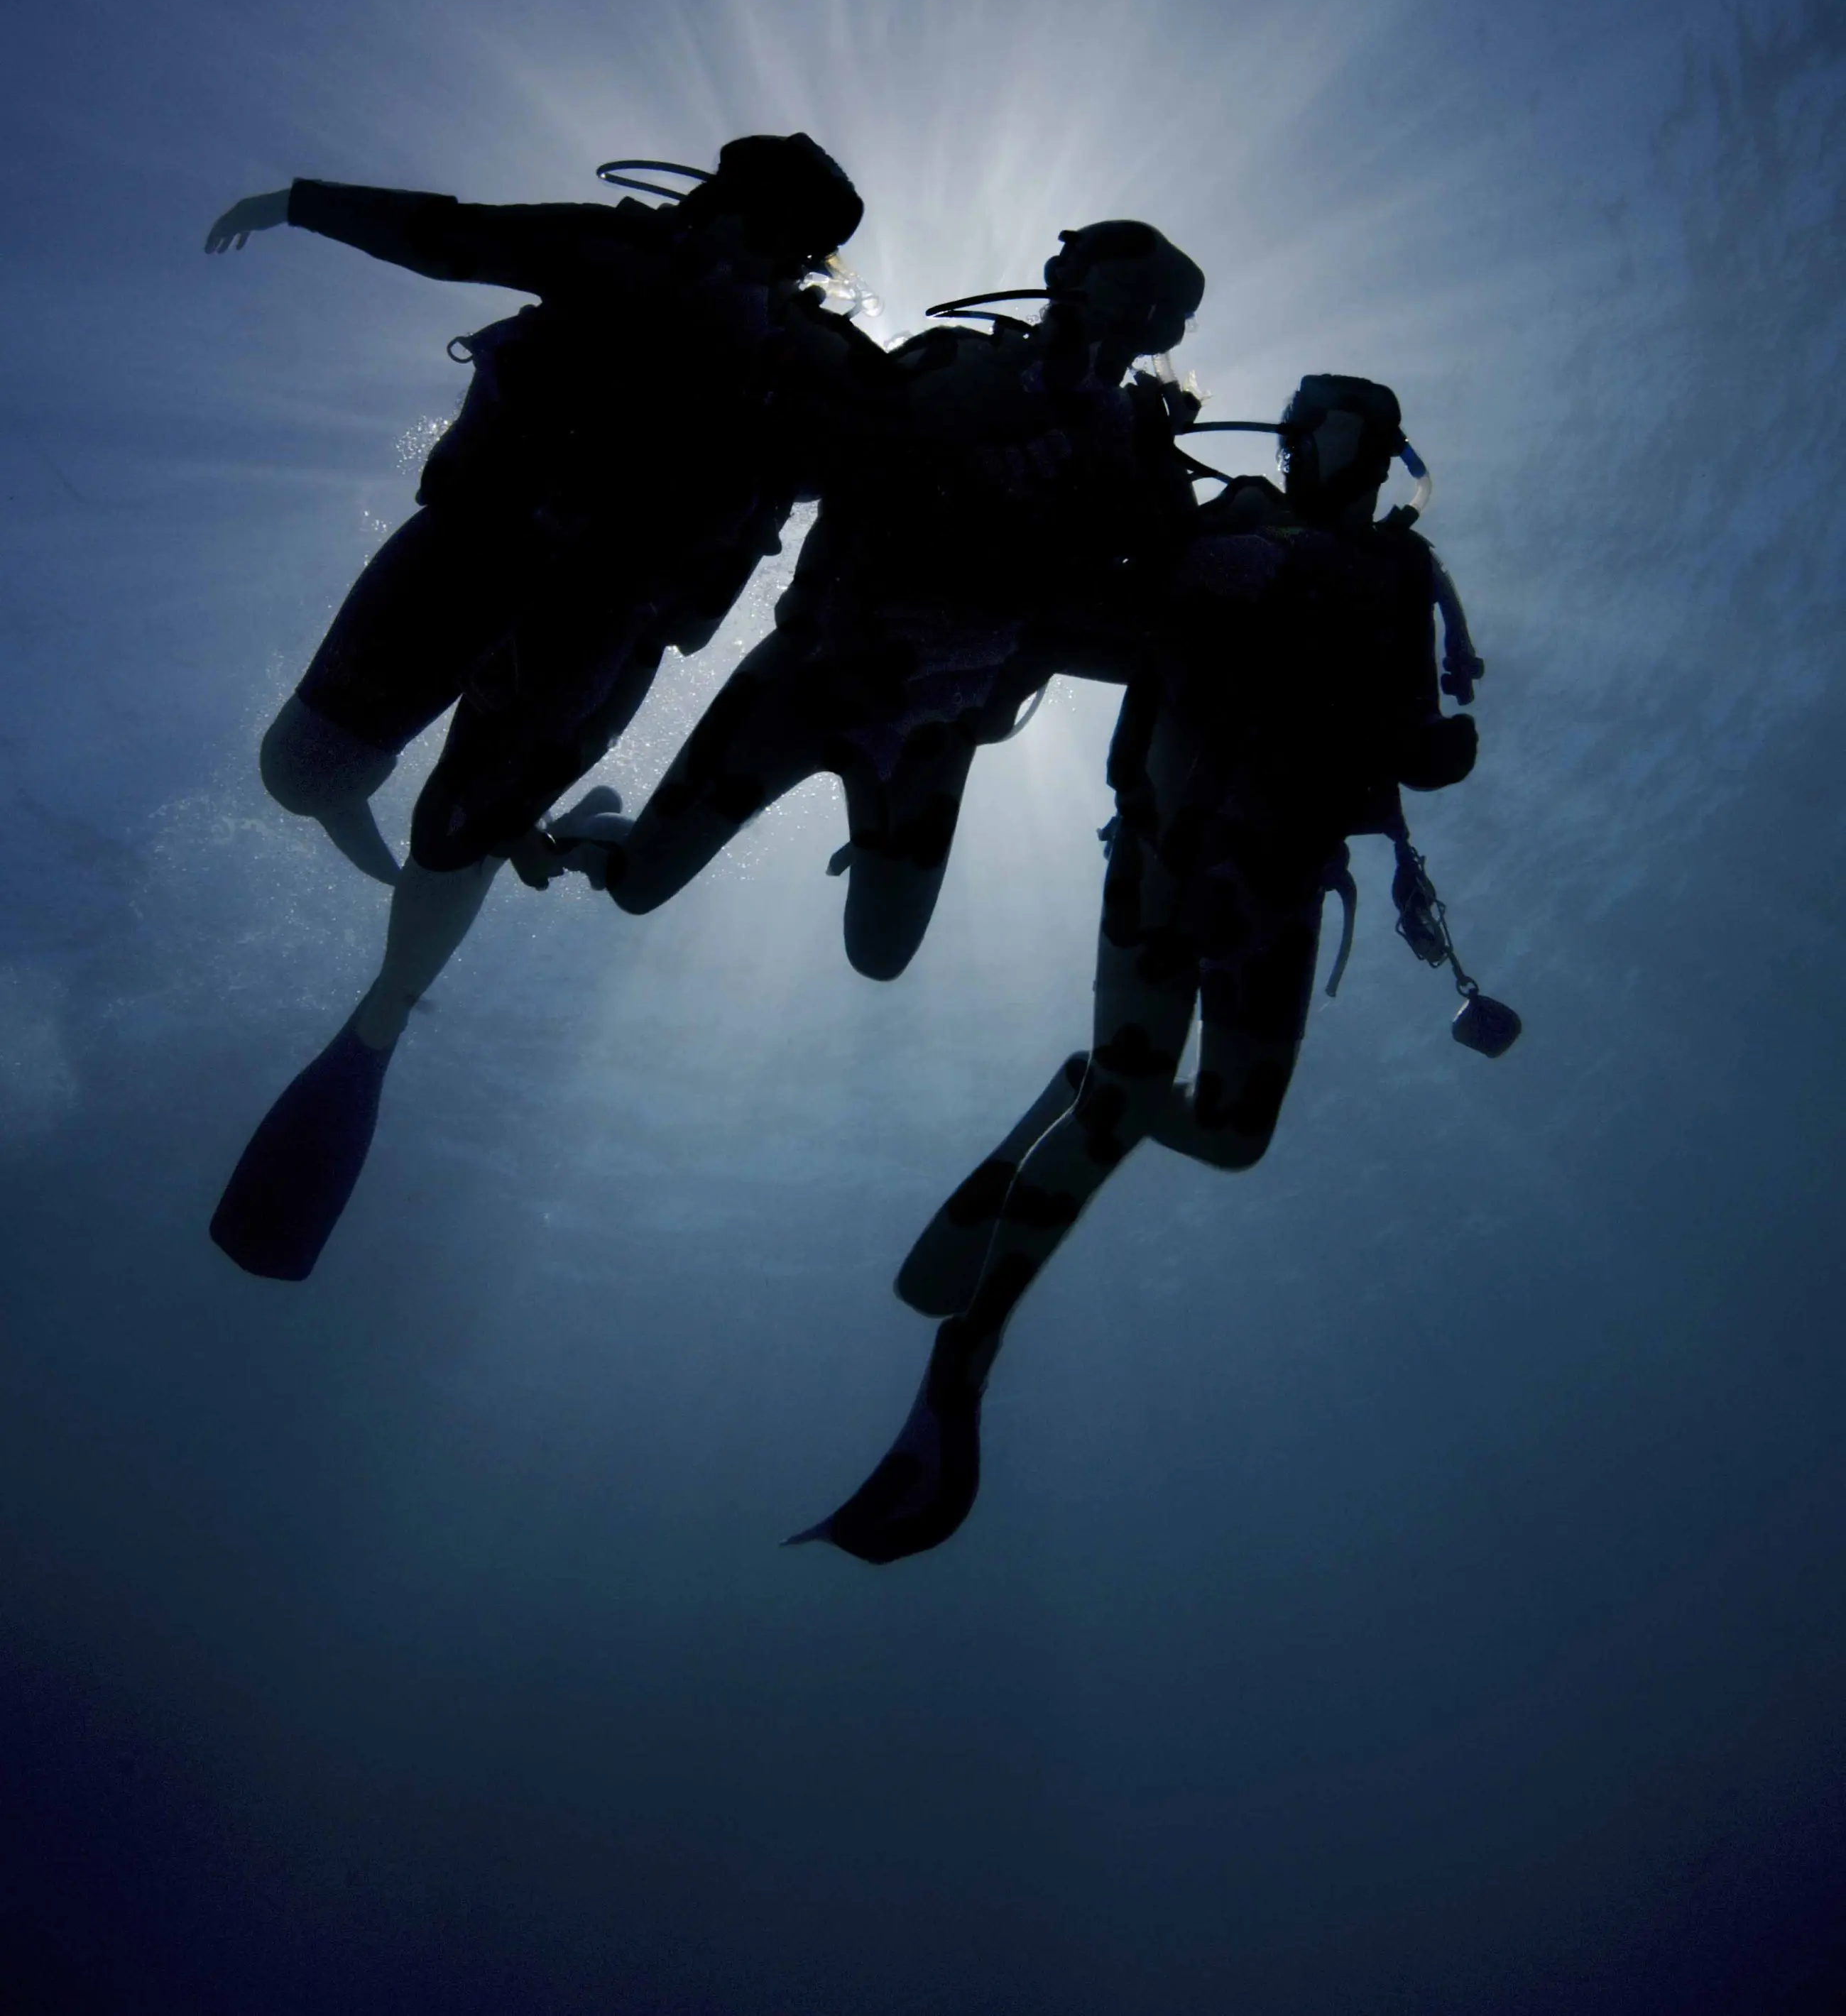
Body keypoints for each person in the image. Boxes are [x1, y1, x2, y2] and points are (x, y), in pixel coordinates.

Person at [792, 373, 1512, 1564]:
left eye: (1318, 415)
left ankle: (1080, 1092)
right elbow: (1081, 609)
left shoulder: (1401, 576)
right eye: (1292, 416)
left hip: (1276, 875)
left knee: (1232, 1135)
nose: (1292, 433)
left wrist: (1429, 752)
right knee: (1146, 1099)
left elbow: (1396, 731)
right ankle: (964, 1363)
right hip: (1173, 848)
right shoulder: (1225, 514)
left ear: (1376, 442)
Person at [204, 136, 878, 1279]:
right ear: (704, 201)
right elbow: (459, 231)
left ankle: (388, 1005)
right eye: (724, 209)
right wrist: (301, 201)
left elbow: (925, 480)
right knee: (301, 774)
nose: (727, 238)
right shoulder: (616, 249)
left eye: (763, 232)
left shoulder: (821, 366)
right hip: (471, 545)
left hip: (603, 620)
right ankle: (499, 840)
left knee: (453, 836)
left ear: (799, 257)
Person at [572, 221, 1208, 982]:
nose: (1130, 327)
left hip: (939, 716)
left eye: (1151, 313)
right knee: (638, 886)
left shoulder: (1132, 441)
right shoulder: (958, 361)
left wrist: (1147, 465)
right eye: (1125, 295)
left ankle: (849, 817)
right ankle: (592, 833)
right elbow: (819, 450)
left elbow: (1162, 585)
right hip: (812, 672)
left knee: (879, 953)